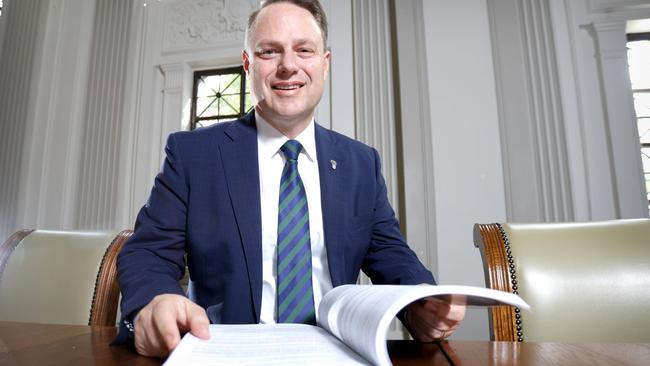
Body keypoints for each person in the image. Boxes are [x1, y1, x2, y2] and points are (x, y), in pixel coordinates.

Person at [116, 0, 466, 358]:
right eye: (270, 51)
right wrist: (154, 303)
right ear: (248, 64)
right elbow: (148, 253)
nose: (288, 66)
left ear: (324, 64)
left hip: (337, 354)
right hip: (226, 353)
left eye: (304, 50)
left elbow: (392, 257)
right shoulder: (194, 154)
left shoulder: (360, 163)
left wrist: (423, 303)